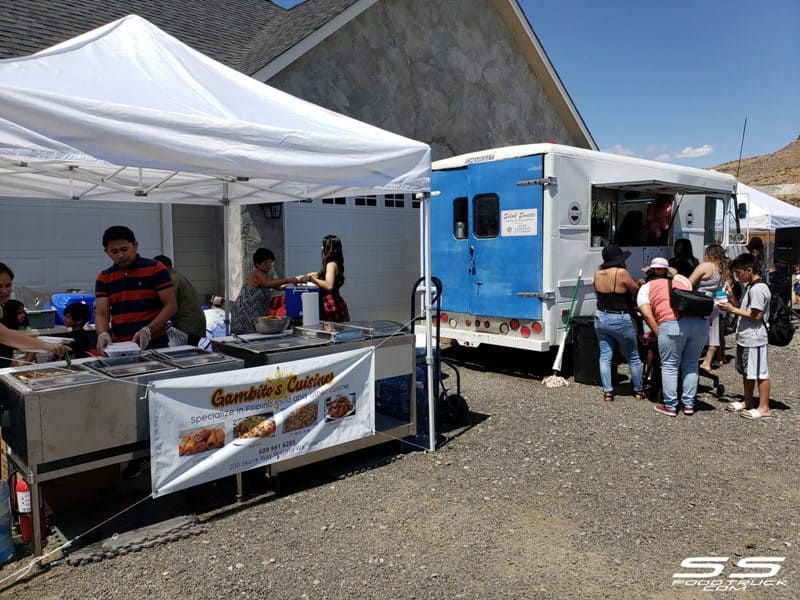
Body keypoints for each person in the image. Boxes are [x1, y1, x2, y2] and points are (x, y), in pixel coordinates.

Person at [637, 257, 708, 417]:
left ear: (649, 273)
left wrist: (658, 333)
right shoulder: (682, 283)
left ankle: (670, 406)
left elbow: (647, 315)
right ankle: (688, 405)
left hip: (673, 324)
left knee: (669, 365)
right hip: (700, 324)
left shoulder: (646, 287)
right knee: (691, 364)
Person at [94, 226, 177, 351]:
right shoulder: (104, 277)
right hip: (120, 347)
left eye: (124, 249)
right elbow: (101, 313)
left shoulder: (155, 269)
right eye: (114, 252)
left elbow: (171, 306)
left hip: (155, 343)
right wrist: (102, 333)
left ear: (135, 245)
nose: (121, 255)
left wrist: (148, 330)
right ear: (107, 252)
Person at [718, 253, 772, 419]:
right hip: (745, 336)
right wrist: (731, 298)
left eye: (739, 272)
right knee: (747, 371)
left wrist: (732, 310)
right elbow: (743, 307)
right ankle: (748, 401)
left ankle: (764, 407)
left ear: (749, 270)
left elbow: (756, 315)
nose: (737, 276)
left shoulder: (758, 288)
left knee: (760, 372)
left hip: (755, 337)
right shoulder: (750, 287)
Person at [592, 245, 644, 402]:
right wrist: (639, 283)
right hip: (619, 318)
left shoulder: (597, 273)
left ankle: (608, 391)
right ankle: (638, 390)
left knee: (605, 356)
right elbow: (635, 291)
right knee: (633, 356)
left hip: (600, 317)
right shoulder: (622, 272)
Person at [231, 248, 298, 334]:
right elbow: (267, 284)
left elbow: (277, 287)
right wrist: (288, 280)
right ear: (258, 263)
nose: (269, 265)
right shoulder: (256, 273)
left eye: (270, 262)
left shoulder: (268, 274)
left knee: (257, 335)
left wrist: (293, 284)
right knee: (247, 336)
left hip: (258, 311)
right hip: (245, 311)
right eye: (265, 263)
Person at [688, 244, 731, 372]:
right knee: (713, 334)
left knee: (695, 333)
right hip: (714, 304)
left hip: (699, 303)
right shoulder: (722, 269)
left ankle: (692, 360)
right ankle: (707, 361)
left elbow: (689, 283)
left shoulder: (705, 266)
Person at [154, 255, 207, 345]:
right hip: (193, 324)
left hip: (188, 325)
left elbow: (165, 302)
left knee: (183, 354)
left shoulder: (171, 279)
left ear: (162, 267)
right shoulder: (177, 276)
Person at [306, 234, 350, 323]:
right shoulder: (336, 263)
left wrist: (311, 279)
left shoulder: (331, 264)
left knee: (328, 333)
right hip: (336, 302)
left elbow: (329, 285)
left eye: (324, 245)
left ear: (329, 248)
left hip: (330, 305)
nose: (322, 248)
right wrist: (317, 275)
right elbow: (330, 276)